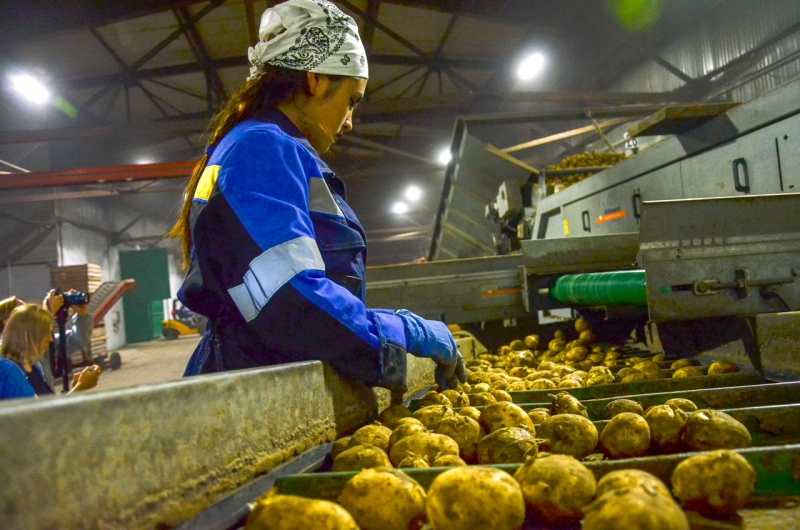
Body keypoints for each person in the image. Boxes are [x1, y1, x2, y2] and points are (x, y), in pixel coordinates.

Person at [170, 0, 465, 393]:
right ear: (316, 80)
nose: (350, 121)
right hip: (254, 388)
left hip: (260, 373)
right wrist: (404, 330)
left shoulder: (261, 147)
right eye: (352, 100)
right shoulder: (261, 148)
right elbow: (291, 298)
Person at [0, 304, 100, 400]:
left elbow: (48, 406)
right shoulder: (7, 370)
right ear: (30, 335)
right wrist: (79, 388)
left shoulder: (33, 365)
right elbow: (34, 415)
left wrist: (77, 388)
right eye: (46, 333)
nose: (51, 339)